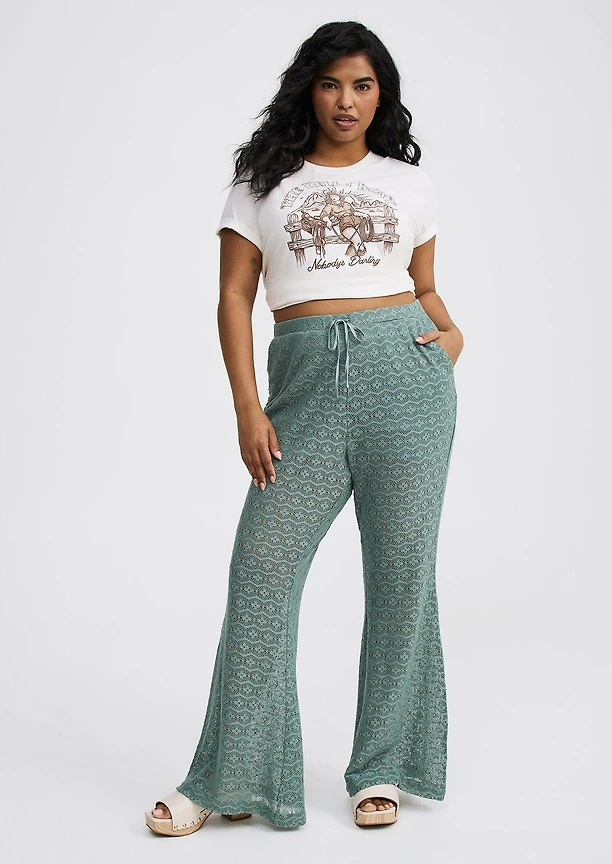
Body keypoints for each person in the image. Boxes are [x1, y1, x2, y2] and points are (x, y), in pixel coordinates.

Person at [144, 19, 463, 834]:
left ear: (381, 95)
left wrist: (451, 335)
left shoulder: (409, 183)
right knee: (262, 567)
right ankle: (230, 775)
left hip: (407, 376)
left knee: (402, 572)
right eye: (330, 84)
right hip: (305, 384)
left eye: (362, 85)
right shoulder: (261, 183)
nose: (346, 101)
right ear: (308, 91)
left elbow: (424, 285)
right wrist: (248, 408)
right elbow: (233, 297)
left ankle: (383, 766)